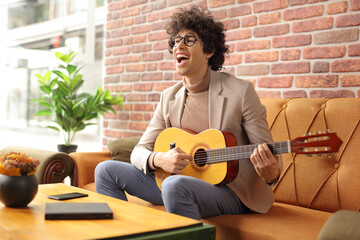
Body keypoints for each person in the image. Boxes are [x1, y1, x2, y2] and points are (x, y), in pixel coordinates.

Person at [95, 7, 282, 220]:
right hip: (179, 182)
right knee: (105, 170)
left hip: (231, 190)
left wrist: (271, 174)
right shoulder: (168, 97)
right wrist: (159, 159)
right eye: (176, 41)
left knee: (175, 185)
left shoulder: (241, 92)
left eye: (189, 40)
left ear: (209, 51)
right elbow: (139, 151)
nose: (179, 46)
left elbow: (269, 153)